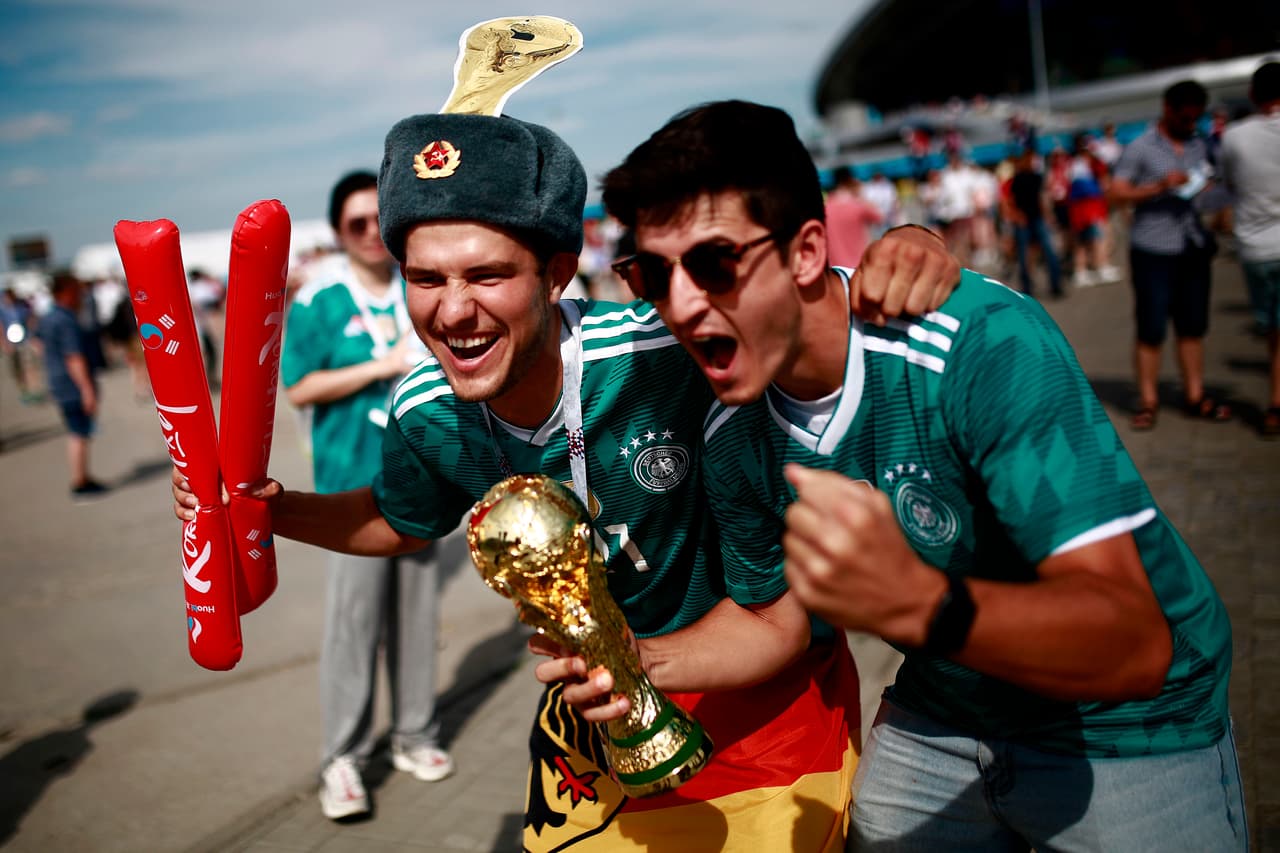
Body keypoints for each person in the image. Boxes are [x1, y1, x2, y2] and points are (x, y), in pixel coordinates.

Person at [172, 107, 957, 849]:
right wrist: (273, 510)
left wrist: (905, 246)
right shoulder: (424, 410)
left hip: (768, 717)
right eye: (426, 278)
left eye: (485, 275)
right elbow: (401, 518)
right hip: (595, 729)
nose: (451, 312)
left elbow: (788, 302)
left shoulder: (665, 358)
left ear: (555, 273)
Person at [599, 99, 1243, 852]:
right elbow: (775, 617)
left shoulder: (978, 345)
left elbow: (1133, 646)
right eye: (650, 271)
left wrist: (915, 604)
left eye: (714, 263)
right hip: (944, 708)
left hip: (1126, 725)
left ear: (807, 253)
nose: (677, 303)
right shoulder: (731, 428)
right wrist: (636, 661)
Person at [280, 170, 450, 820]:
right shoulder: (321, 299)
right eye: (356, 223)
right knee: (353, 626)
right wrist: (380, 368)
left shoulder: (419, 283)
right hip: (350, 483)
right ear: (337, 232)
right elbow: (298, 386)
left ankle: (415, 732)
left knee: (416, 618)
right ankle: (343, 757)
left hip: (421, 476)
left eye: (379, 218)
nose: (372, 233)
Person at [1108, 79, 1229, 431]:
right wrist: (1159, 186)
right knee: (1151, 328)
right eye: (1185, 117)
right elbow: (1116, 194)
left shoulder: (1202, 144)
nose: (1191, 124)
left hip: (1191, 244)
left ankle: (1195, 394)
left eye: (1196, 118)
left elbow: (1219, 181)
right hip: (1152, 248)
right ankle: (1147, 400)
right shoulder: (1140, 147)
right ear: (1168, 110)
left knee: (1192, 325)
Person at [1219, 61, 1280, 439]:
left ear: (1254, 95)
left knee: (1273, 331)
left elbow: (1228, 186)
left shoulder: (1235, 136)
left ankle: (1275, 403)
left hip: (1255, 247)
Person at [37, 274, 108, 498]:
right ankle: (80, 480)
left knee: (77, 431)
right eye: (76, 290)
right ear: (65, 291)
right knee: (79, 433)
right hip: (71, 385)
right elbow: (74, 357)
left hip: (58, 381)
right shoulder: (66, 320)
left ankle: (82, 477)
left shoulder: (48, 317)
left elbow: (38, 343)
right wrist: (87, 390)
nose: (80, 295)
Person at [1004, 147, 1064, 299]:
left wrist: (1047, 216)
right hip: (1023, 220)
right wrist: (1016, 216)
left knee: (1048, 252)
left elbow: (1041, 198)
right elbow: (1009, 201)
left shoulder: (1037, 177)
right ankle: (1027, 287)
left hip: (1036, 218)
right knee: (1024, 255)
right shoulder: (1016, 179)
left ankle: (1056, 284)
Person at [825, 166, 883, 268]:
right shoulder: (857, 205)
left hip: (836, 272)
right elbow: (879, 217)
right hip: (860, 267)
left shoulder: (826, 207)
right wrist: (860, 195)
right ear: (850, 180)